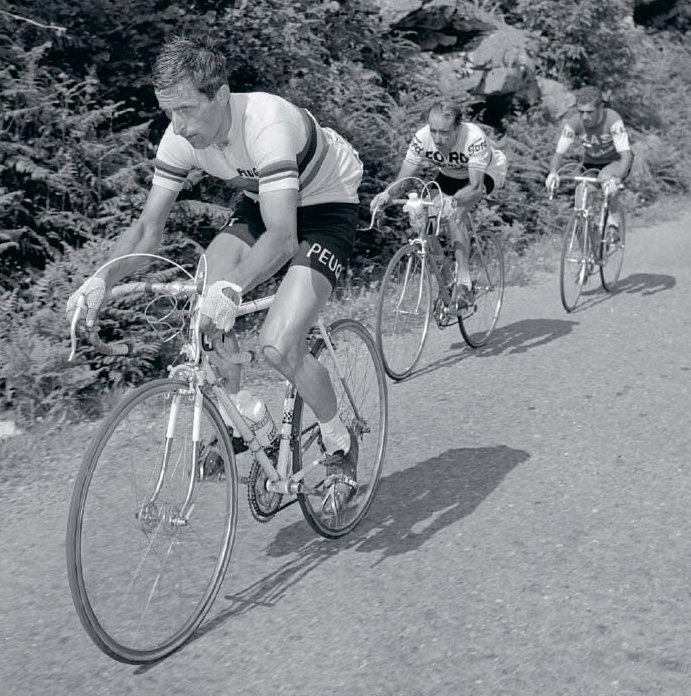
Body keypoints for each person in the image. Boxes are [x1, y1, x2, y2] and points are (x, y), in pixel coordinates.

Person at [66, 36, 364, 515]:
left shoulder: (267, 122)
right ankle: (251, 419)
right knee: (202, 298)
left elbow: (284, 236)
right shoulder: (180, 137)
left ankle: (337, 440)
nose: (179, 126)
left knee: (277, 344)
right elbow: (148, 228)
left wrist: (234, 288)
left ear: (220, 95)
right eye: (169, 113)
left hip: (325, 209)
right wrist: (99, 280)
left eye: (186, 110)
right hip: (263, 202)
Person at [369, 101, 508, 309]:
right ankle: (445, 269)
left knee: (456, 213)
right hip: (449, 173)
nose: (437, 139)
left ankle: (464, 282)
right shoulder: (422, 138)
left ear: (457, 128)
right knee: (426, 215)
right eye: (433, 131)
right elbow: (403, 180)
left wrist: (453, 201)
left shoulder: (473, 137)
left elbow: (476, 186)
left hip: (485, 172)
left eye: (444, 133)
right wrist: (386, 196)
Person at [544, 85, 633, 236]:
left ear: (601, 108)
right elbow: (559, 153)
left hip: (615, 162)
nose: (585, 117)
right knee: (580, 202)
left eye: (590, 112)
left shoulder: (612, 119)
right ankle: (591, 246)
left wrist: (616, 178)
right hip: (591, 163)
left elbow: (626, 155)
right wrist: (553, 173)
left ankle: (613, 219)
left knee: (605, 179)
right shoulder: (574, 122)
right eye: (581, 112)